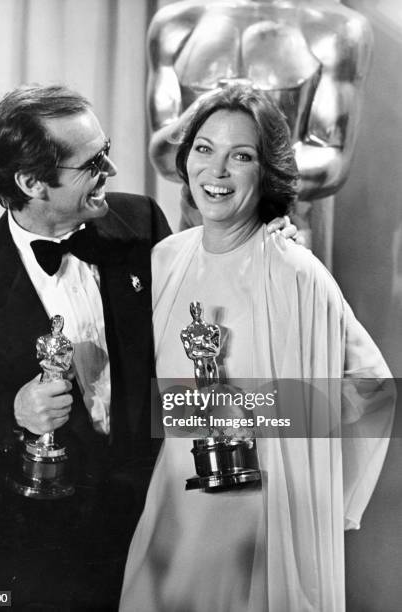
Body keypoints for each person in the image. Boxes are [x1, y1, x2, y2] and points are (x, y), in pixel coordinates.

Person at [0, 84, 293, 610]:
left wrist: (263, 245)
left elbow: (203, 314)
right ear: (32, 182)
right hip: (34, 535)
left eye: (105, 151)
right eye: (92, 163)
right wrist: (12, 411)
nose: (110, 170)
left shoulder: (141, 221)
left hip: (150, 516)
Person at [120, 85, 394, 612]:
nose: (216, 172)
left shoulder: (295, 271)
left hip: (257, 529)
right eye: (204, 149)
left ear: (265, 172)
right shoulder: (163, 260)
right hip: (167, 519)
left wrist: (259, 419)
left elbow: (373, 389)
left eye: (240, 156)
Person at [146, 0, 373, 264]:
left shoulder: (337, 27)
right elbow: (163, 153)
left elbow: (330, 161)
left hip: (284, 230)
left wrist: (242, 173)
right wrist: (217, 104)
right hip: (196, 228)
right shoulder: (176, 22)